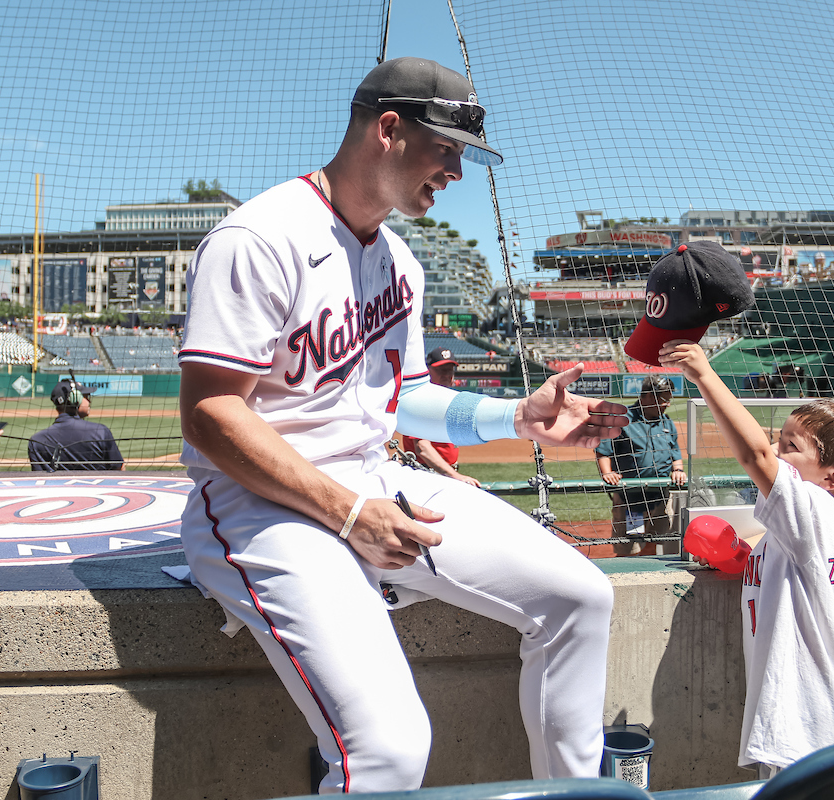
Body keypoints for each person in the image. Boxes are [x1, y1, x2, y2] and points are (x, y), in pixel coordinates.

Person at [175, 57, 628, 793]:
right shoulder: (259, 236)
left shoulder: (400, 263)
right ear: (389, 129)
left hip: (374, 482)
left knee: (580, 598)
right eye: (446, 148)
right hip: (259, 503)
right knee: (388, 748)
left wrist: (516, 417)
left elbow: (404, 397)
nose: (455, 171)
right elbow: (209, 414)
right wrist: (349, 514)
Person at [661, 340, 834, 777]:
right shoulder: (816, 526)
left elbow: (754, 456)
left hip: (805, 713)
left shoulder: (817, 509)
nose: (777, 451)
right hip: (807, 709)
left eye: (790, 445)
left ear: (831, 477)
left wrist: (704, 375)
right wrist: (746, 563)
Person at [595, 375, 684, 556]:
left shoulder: (666, 421)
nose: (667, 403)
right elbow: (603, 450)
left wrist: (678, 469)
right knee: (629, 548)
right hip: (631, 499)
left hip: (660, 496)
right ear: (649, 396)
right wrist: (607, 472)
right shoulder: (622, 419)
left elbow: (675, 450)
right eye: (664, 399)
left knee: (655, 542)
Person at [399, 347, 480, 487]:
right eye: (441, 370)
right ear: (428, 371)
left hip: (442, 474)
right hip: (424, 475)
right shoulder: (420, 401)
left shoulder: (447, 400)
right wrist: (455, 476)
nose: (447, 375)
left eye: (450, 370)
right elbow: (422, 447)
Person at [28, 380, 124, 471]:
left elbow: (38, 478)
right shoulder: (100, 431)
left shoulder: (37, 441)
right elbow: (118, 470)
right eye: (86, 396)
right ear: (75, 399)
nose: (89, 401)